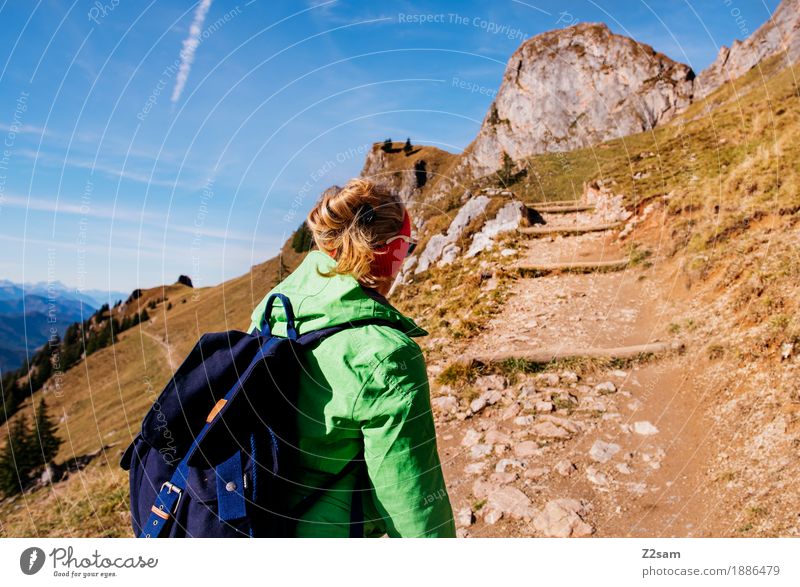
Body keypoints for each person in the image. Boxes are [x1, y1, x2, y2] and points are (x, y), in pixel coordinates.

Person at [248, 178, 456, 538]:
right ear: (390, 251)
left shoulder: (273, 308)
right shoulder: (387, 355)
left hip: (255, 514)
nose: (405, 259)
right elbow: (411, 499)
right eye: (407, 247)